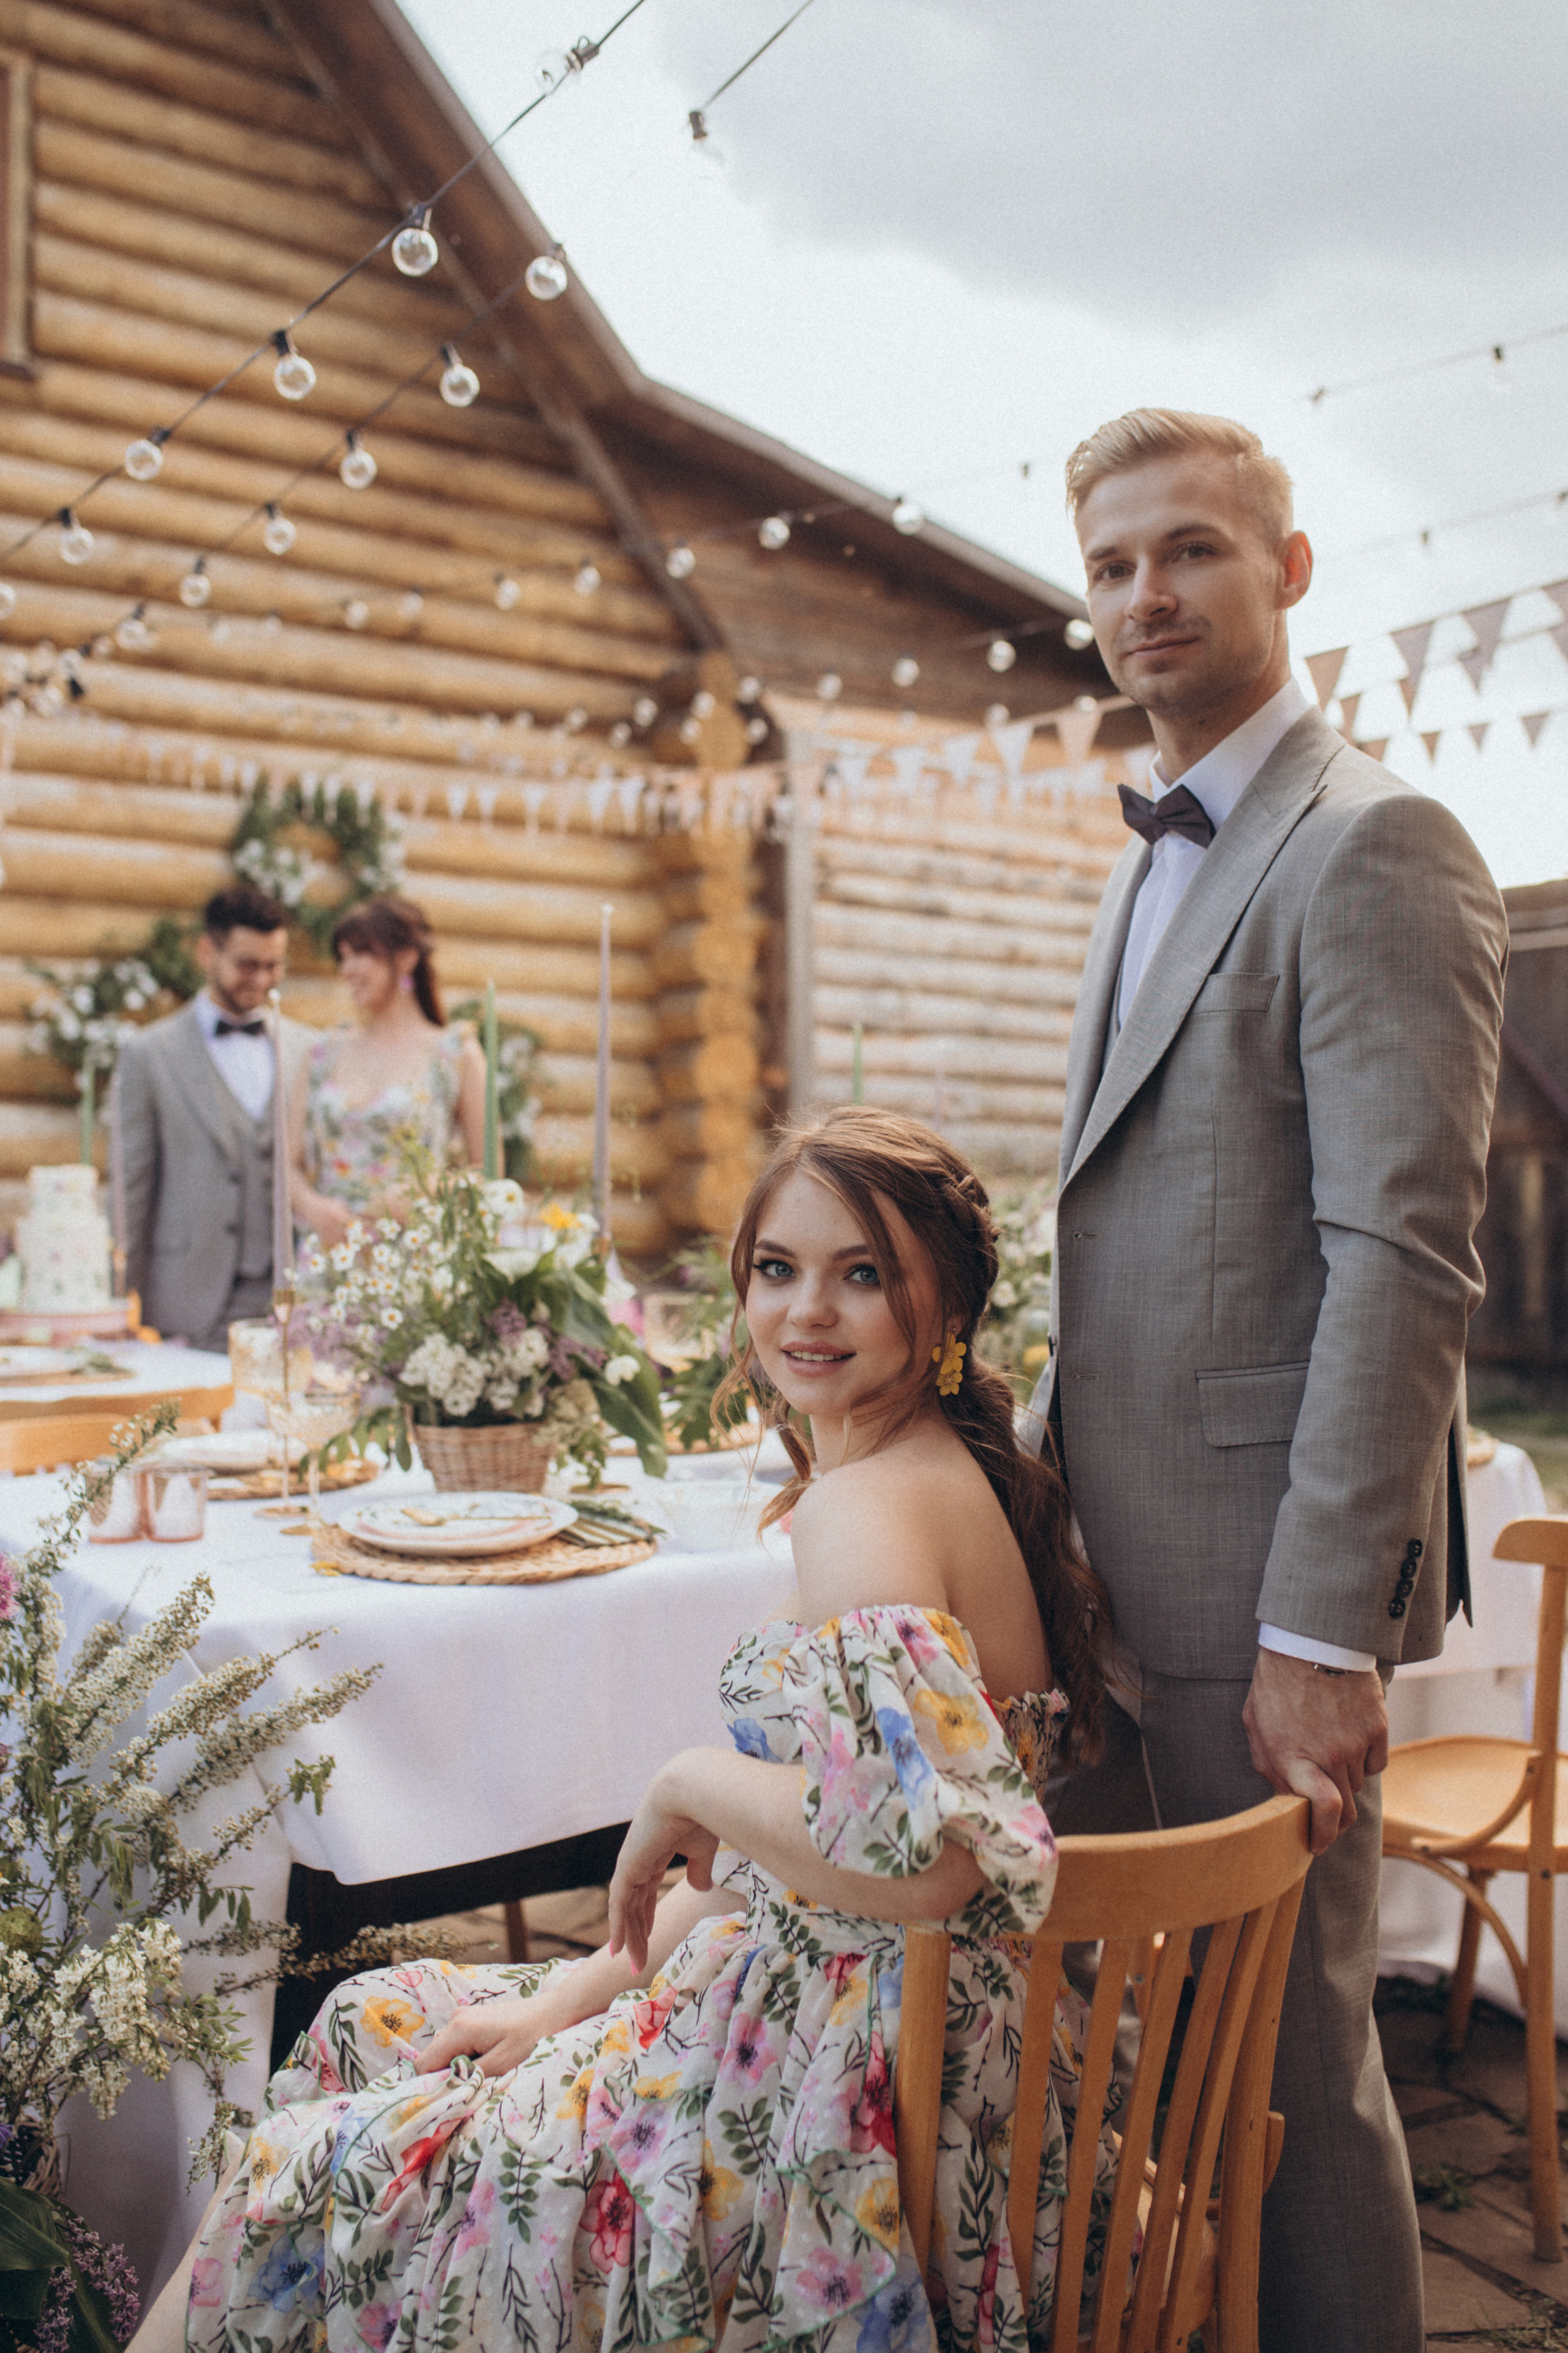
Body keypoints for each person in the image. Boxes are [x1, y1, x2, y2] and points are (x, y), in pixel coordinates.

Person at [132, 1108, 1116, 2353]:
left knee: (299, 2171)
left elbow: (926, 1863)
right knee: (369, 2018)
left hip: (845, 2103)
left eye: (861, 1274)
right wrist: (589, 1986)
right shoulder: (920, 1470)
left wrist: (689, 1780)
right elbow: (828, 1867)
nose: (806, 1310)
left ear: (947, 1310)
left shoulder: (867, 1512)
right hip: (887, 2027)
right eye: (778, 1269)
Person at [1033, 408, 1507, 2353]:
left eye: (1190, 551)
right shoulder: (1140, 863)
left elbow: (1398, 1260)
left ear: (1288, 572)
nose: (1145, 593)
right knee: (1165, 2068)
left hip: (1262, 1604)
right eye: (1113, 564)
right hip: (1112, 1579)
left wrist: (1321, 1625)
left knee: (1298, 2082)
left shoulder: (1373, 840)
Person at [117, 884, 304, 1352]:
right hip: (188, 1299)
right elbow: (131, 1185)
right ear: (207, 951)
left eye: (273, 965)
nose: (262, 979)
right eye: (247, 963)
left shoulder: (308, 1049)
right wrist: (119, 1296)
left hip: (291, 1299)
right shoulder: (150, 1054)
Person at [288, 894, 486, 1249]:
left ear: (407, 958)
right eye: (343, 957)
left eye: (361, 954)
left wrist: (423, 1191)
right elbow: (286, 1165)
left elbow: (488, 1176)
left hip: (417, 1262)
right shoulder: (322, 1052)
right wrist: (313, 1208)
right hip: (330, 1259)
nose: (347, 969)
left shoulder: (456, 1053)